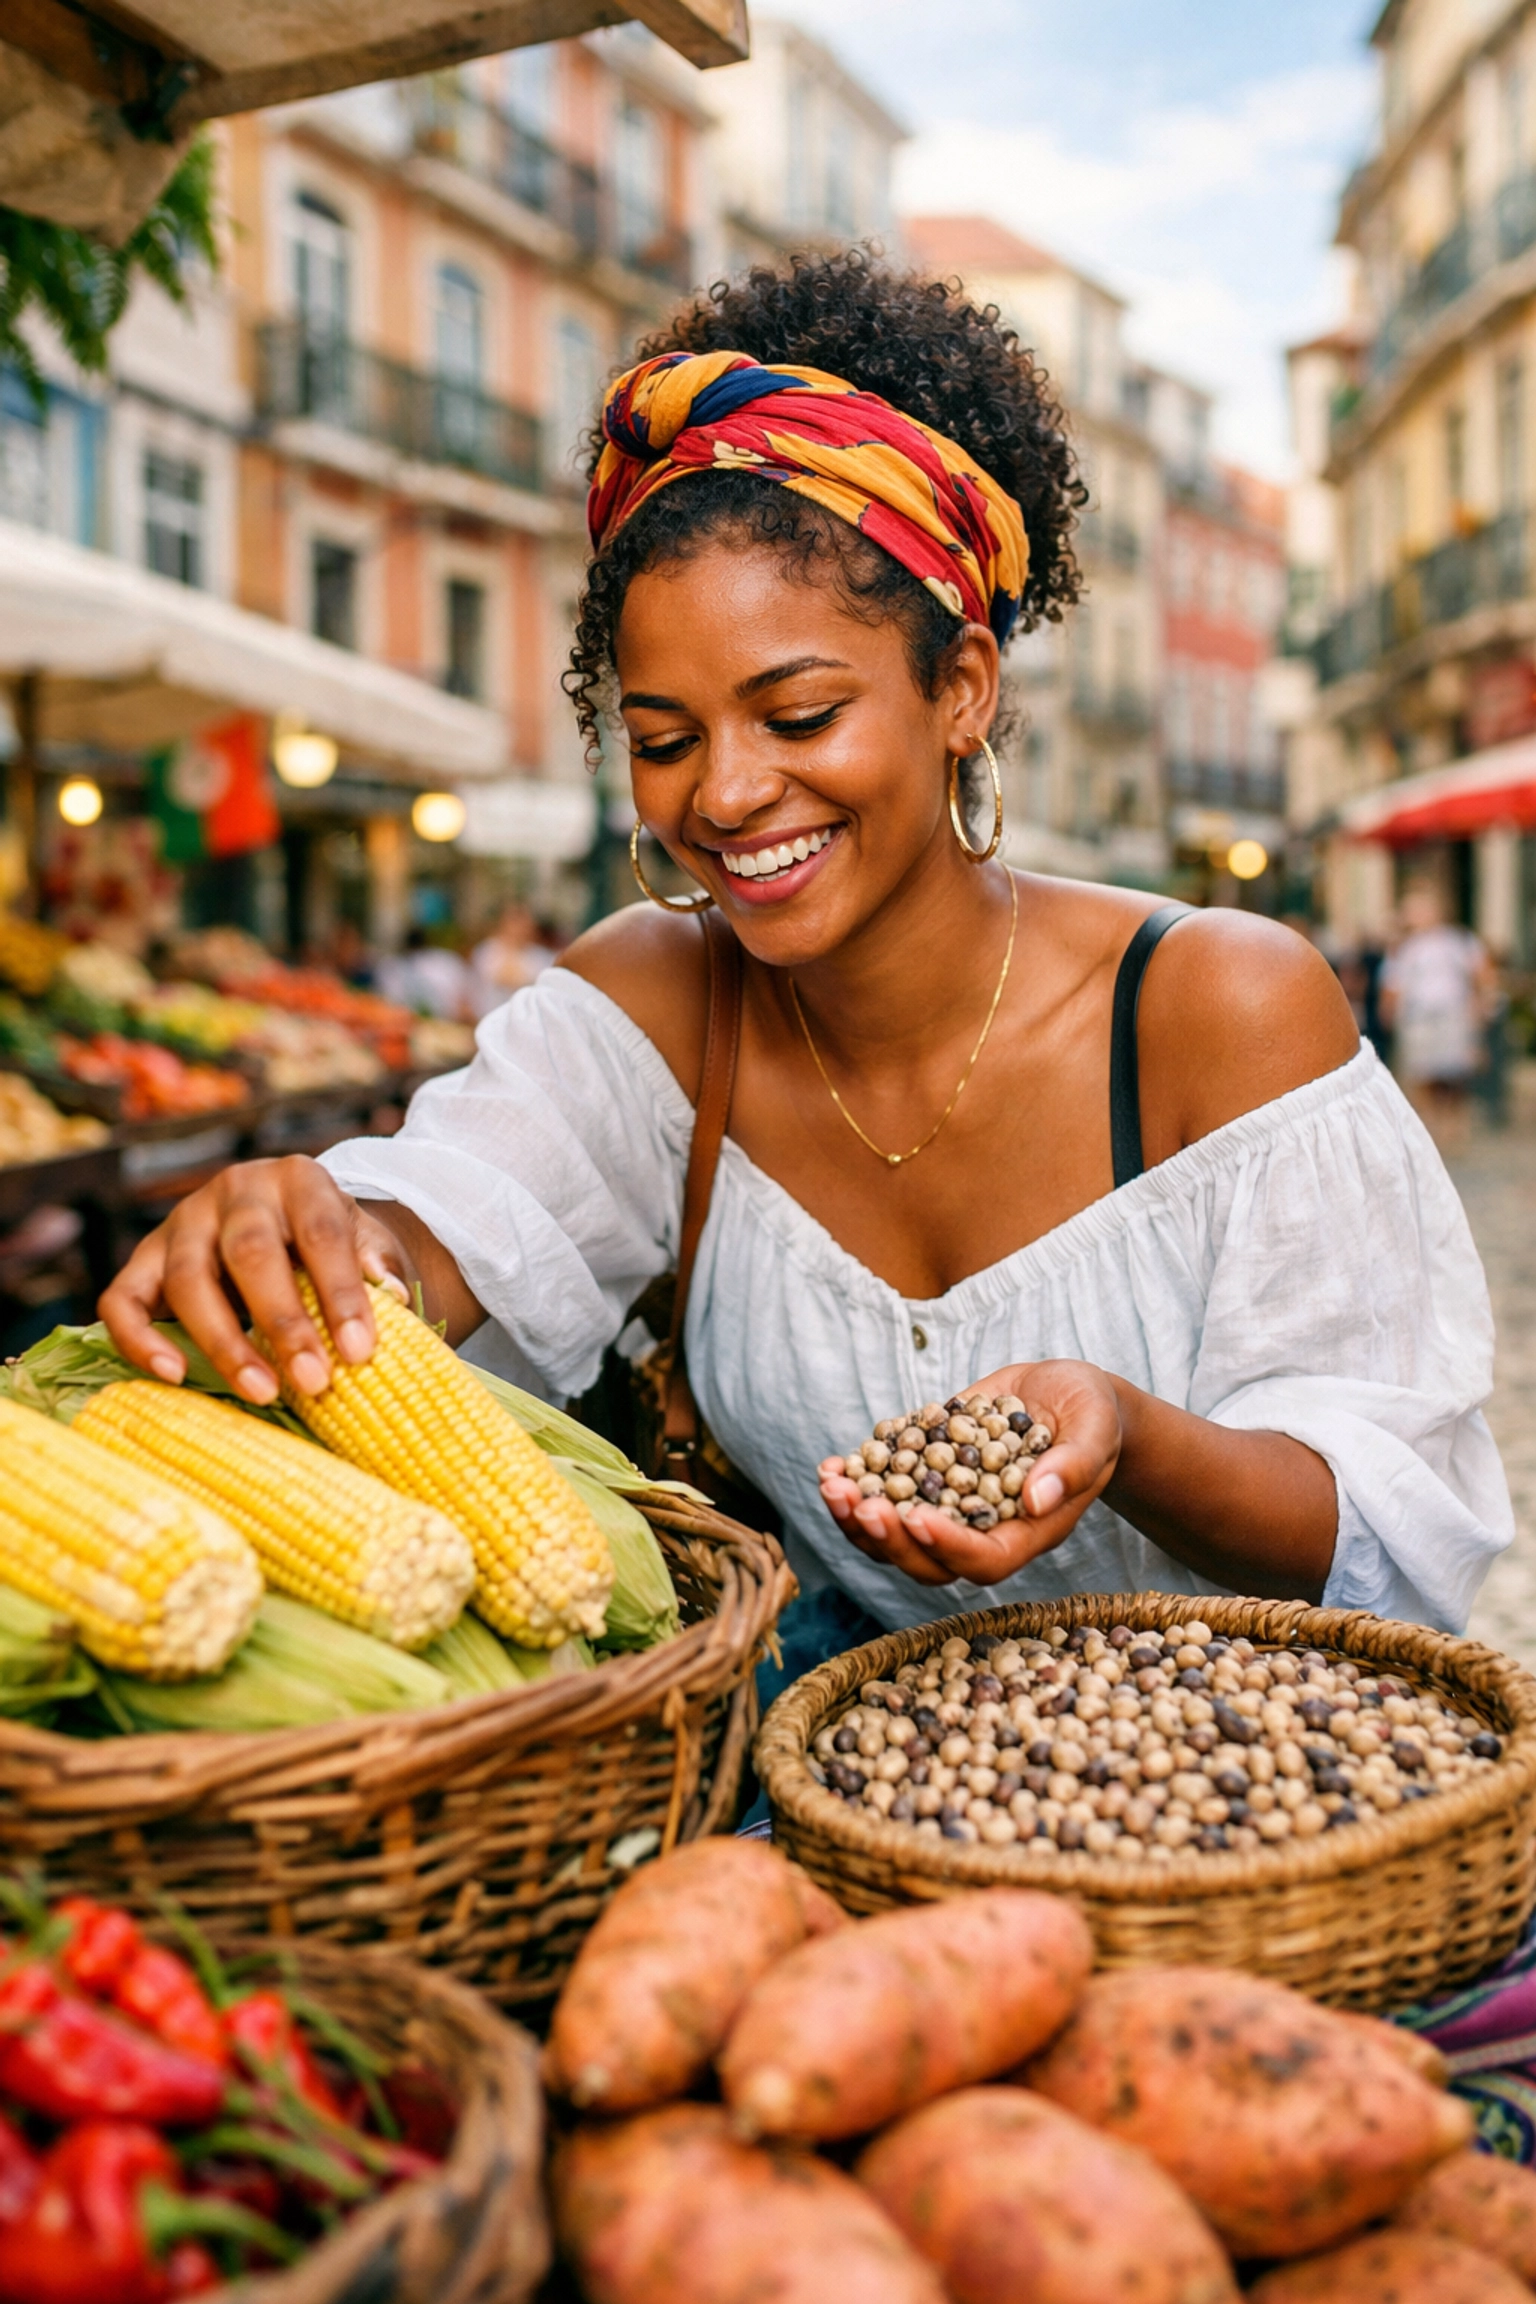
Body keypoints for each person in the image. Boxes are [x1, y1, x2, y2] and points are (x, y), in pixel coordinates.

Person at [100, 252, 1511, 1645]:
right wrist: (318, 1244)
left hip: (1253, 1795)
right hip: (837, 1788)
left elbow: (1392, 1537)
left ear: (961, 688)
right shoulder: (655, 1005)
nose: (721, 795)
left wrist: (1130, 1437)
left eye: (797, 715)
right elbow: (451, 1224)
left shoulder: (1215, 1005)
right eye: (662, 740)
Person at [1379, 884, 1496, 1147]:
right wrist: (1390, 1009)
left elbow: (1482, 971)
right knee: (1423, 1073)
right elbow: (1393, 982)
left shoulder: (1458, 941)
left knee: (1455, 1073)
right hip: (1418, 1017)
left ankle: (1454, 1125)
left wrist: (1483, 1001)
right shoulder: (1404, 948)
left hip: (1452, 1014)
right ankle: (1430, 1124)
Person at [470, 901, 556, 1016]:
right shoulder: (487, 950)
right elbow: (505, 978)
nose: (520, 928)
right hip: (490, 1017)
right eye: (514, 922)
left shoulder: (542, 956)